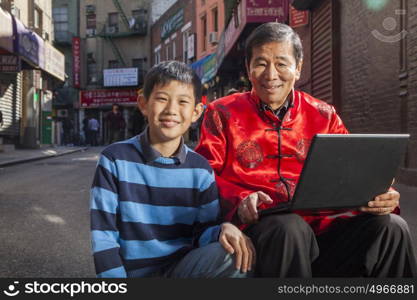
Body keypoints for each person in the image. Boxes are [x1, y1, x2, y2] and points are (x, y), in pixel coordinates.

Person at [195, 22, 417, 277]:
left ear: (298, 68)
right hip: (266, 228)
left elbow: (353, 170)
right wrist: (241, 199)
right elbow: (204, 177)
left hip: (327, 227)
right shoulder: (222, 112)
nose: (271, 74)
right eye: (261, 63)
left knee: (392, 227)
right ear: (248, 68)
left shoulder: (324, 115)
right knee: (289, 228)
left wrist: (382, 194)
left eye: (281, 63)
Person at [90, 61, 255, 278]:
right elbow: (104, 237)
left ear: (196, 112)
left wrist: (223, 229)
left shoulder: (200, 169)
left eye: (183, 102)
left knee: (235, 252)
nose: (171, 110)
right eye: (161, 99)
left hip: (180, 271)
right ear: (143, 104)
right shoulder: (114, 160)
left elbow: (202, 234)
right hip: (132, 277)